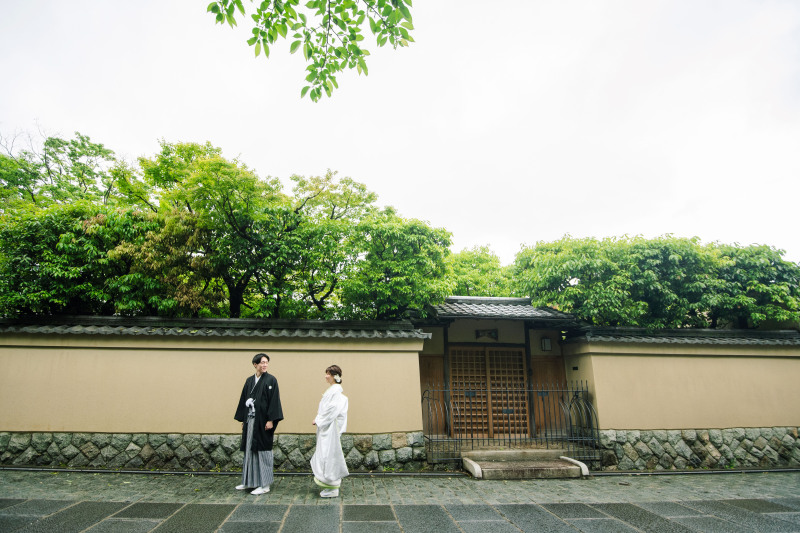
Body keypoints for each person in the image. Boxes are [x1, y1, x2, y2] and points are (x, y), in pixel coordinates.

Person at [234, 353, 283, 495]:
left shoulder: (271, 380)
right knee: (249, 449)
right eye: (262, 362)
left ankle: (265, 484)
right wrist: (243, 419)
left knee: (263, 450)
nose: (265, 365)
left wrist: (271, 419)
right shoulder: (249, 381)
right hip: (250, 420)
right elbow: (243, 399)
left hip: (263, 421)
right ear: (255, 364)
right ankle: (249, 481)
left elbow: (274, 401)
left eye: (266, 362)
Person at [310, 364, 349, 498]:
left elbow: (332, 410)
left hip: (330, 428)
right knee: (325, 454)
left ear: (335, 376)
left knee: (329, 454)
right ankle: (329, 484)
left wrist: (319, 420)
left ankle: (332, 486)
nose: (326, 376)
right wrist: (319, 418)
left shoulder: (336, 391)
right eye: (326, 373)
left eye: (328, 374)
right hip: (327, 427)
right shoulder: (333, 390)